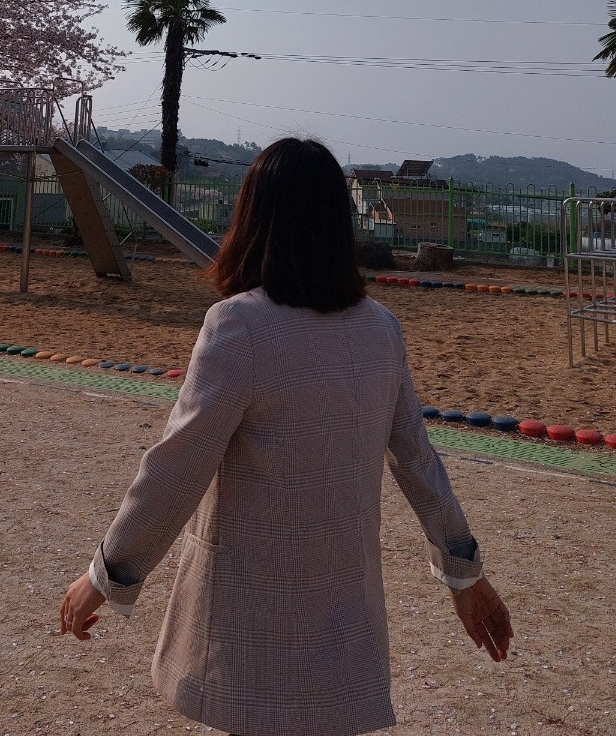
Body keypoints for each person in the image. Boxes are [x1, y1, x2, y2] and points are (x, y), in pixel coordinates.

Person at [59, 137, 512, 736]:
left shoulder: (240, 326)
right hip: (344, 613)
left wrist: (106, 574)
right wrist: (464, 574)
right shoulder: (380, 330)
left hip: (251, 615)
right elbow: (417, 460)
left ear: (254, 218)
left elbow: (178, 467)